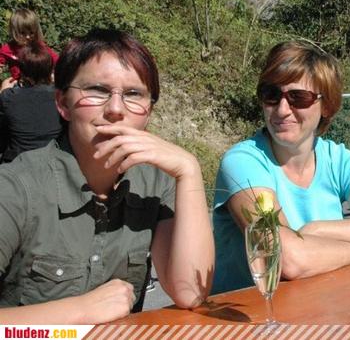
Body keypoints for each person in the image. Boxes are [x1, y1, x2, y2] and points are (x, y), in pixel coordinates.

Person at [0, 29, 214, 324]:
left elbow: (190, 293)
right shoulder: (15, 187)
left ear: (149, 112)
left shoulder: (156, 183)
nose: (115, 109)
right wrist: (79, 312)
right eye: (97, 90)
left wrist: (189, 170)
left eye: (133, 94)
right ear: (62, 103)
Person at [212, 41, 350, 294]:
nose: (282, 110)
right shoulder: (242, 162)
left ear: (326, 106)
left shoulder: (337, 159)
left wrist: (317, 230)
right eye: (271, 95)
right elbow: (286, 258)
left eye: (298, 97)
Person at [0, 42, 62, 163]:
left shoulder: (9, 97)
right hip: (54, 159)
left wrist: (2, 91)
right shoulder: (61, 96)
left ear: (23, 73)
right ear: (50, 69)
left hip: (17, 161)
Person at [0, 9, 58, 81]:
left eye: (31, 33)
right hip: (18, 82)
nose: (28, 36)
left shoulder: (39, 47)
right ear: (14, 31)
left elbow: (56, 60)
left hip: (38, 82)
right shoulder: (7, 49)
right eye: (22, 33)